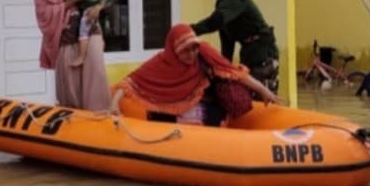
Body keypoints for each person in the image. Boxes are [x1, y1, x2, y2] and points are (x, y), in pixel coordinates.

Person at [112, 23, 282, 126]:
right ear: (174, 50)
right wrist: (114, 104)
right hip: (171, 113)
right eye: (185, 51)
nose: (192, 54)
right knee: (156, 116)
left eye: (194, 48)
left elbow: (234, 72)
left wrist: (263, 91)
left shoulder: (204, 52)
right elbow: (130, 82)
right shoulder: (162, 62)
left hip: (206, 110)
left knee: (212, 113)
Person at [33, 0, 111, 111]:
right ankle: (74, 121)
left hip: (90, 30)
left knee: (95, 70)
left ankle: (99, 115)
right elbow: (45, 15)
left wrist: (99, 7)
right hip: (67, 36)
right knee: (71, 80)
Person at [189, 0, 280, 97]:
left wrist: (189, 30)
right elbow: (227, 42)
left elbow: (216, 21)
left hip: (262, 52)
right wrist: (223, 70)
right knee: (247, 97)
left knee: (263, 99)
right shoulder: (222, 4)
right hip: (249, 52)